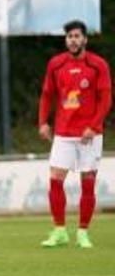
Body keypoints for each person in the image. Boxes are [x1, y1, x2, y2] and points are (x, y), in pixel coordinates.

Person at [38, 19, 111, 249]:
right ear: (66, 40)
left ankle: (83, 232)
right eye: (70, 36)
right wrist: (43, 122)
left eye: (77, 36)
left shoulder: (98, 65)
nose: (73, 40)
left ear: (85, 39)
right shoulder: (56, 64)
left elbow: (106, 99)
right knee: (55, 181)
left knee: (87, 183)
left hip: (89, 134)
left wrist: (94, 125)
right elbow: (47, 95)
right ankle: (60, 231)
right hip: (63, 133)